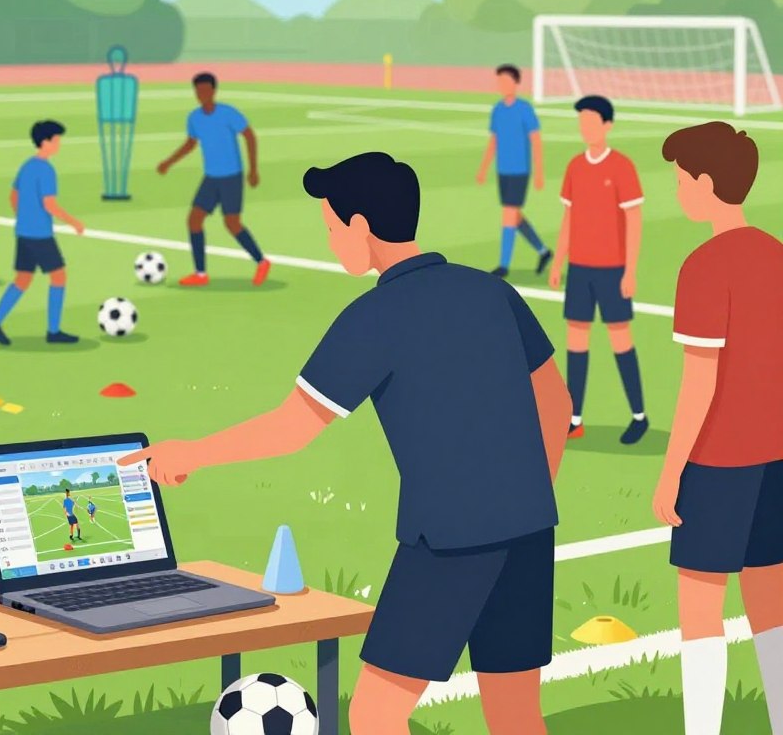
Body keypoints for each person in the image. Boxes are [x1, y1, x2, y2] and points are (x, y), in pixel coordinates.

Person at [120, 152, 571, 735]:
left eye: (332, 228)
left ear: (361, 226)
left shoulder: (374, 317)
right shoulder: (492, 292)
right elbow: (555, 403)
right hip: (530, 529)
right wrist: (526, 495)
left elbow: (294, 426)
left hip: (450, 539)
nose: (332, 241)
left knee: (375, 714)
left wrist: (189, 454)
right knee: (514, 712)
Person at [654, 122, 783, 735]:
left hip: (719, 461)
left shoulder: (704, 266)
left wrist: (671, 472)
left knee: (701, 604)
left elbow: (699, 384)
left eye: (680, 180)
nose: (676, 190)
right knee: (771, 600)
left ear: (706, 184)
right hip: (777, 455)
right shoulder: (777, 254)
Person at [548, 95, 648, 445]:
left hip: (611, 270)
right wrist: (559, 261)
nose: (585, 128)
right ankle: (575, 418)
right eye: (582, 122)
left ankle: (639, 416)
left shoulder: (622, 166)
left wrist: (630, 270)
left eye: (591, 122)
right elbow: (569, 217)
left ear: (607, 125)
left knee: (620, 341)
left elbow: (634, 220)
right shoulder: (575, 166)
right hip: (580, 270)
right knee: (576, 343)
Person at [157, 72, 271, 287]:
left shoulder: (228, 113)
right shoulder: (194, 118)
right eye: (198, 91)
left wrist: (253, 170)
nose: (202, 94)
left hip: (231, 177)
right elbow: (190, 144)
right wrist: (169, 162)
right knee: (194, 220)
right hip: (211, 178)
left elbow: (249, 135)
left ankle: (261, 261)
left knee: (232, 224)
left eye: (205, 90)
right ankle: (200, 274)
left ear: (213, 91)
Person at [0, 120, 84, 346]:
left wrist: (24, 217)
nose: (59, 144)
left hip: (23, 233)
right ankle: (53, 331)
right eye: (57, 140)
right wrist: (73, 222)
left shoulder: (27, 166)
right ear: (45, 142)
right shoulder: (46, 169)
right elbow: (49, 204)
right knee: (59, 276)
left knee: (22, 279)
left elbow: (13, 196)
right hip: (40, 235)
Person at [476, 64, 551, 278]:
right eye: (499, 81)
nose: (502, 85)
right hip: (503, 170)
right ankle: (543, 251)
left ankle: (503, 265)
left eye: (506, 81)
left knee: (508, 214)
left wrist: (539, 172)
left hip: (520, 170)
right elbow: (494, 140)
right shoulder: (497, 110)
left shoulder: (525, 109)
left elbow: (535, 140)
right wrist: (483, 168)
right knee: (514, 216)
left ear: (516, 83)